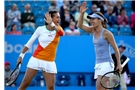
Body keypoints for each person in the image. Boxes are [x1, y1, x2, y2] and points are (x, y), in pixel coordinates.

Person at [77, 2, 122, 90]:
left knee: (99, 88)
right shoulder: (92, 30)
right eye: (90, 19)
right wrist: (82, 13)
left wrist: (119, 64)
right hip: (98, 64)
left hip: (107, 64)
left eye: (93, 19)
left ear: (100, 20)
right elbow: (79, 25)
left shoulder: (107, 34)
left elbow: (116, 49)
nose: (91, 21)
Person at [17, 11, 64, 90]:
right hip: (36, 59)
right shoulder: (40, 29)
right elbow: (29, 43)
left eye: (59, 17)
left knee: (51, 87)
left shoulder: (58, 29)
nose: (59, 19)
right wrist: (21, 56)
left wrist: (52, 23)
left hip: (49, 61)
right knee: (25, 83)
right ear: (50, 18)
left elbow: (62, 33)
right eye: (57, 17)